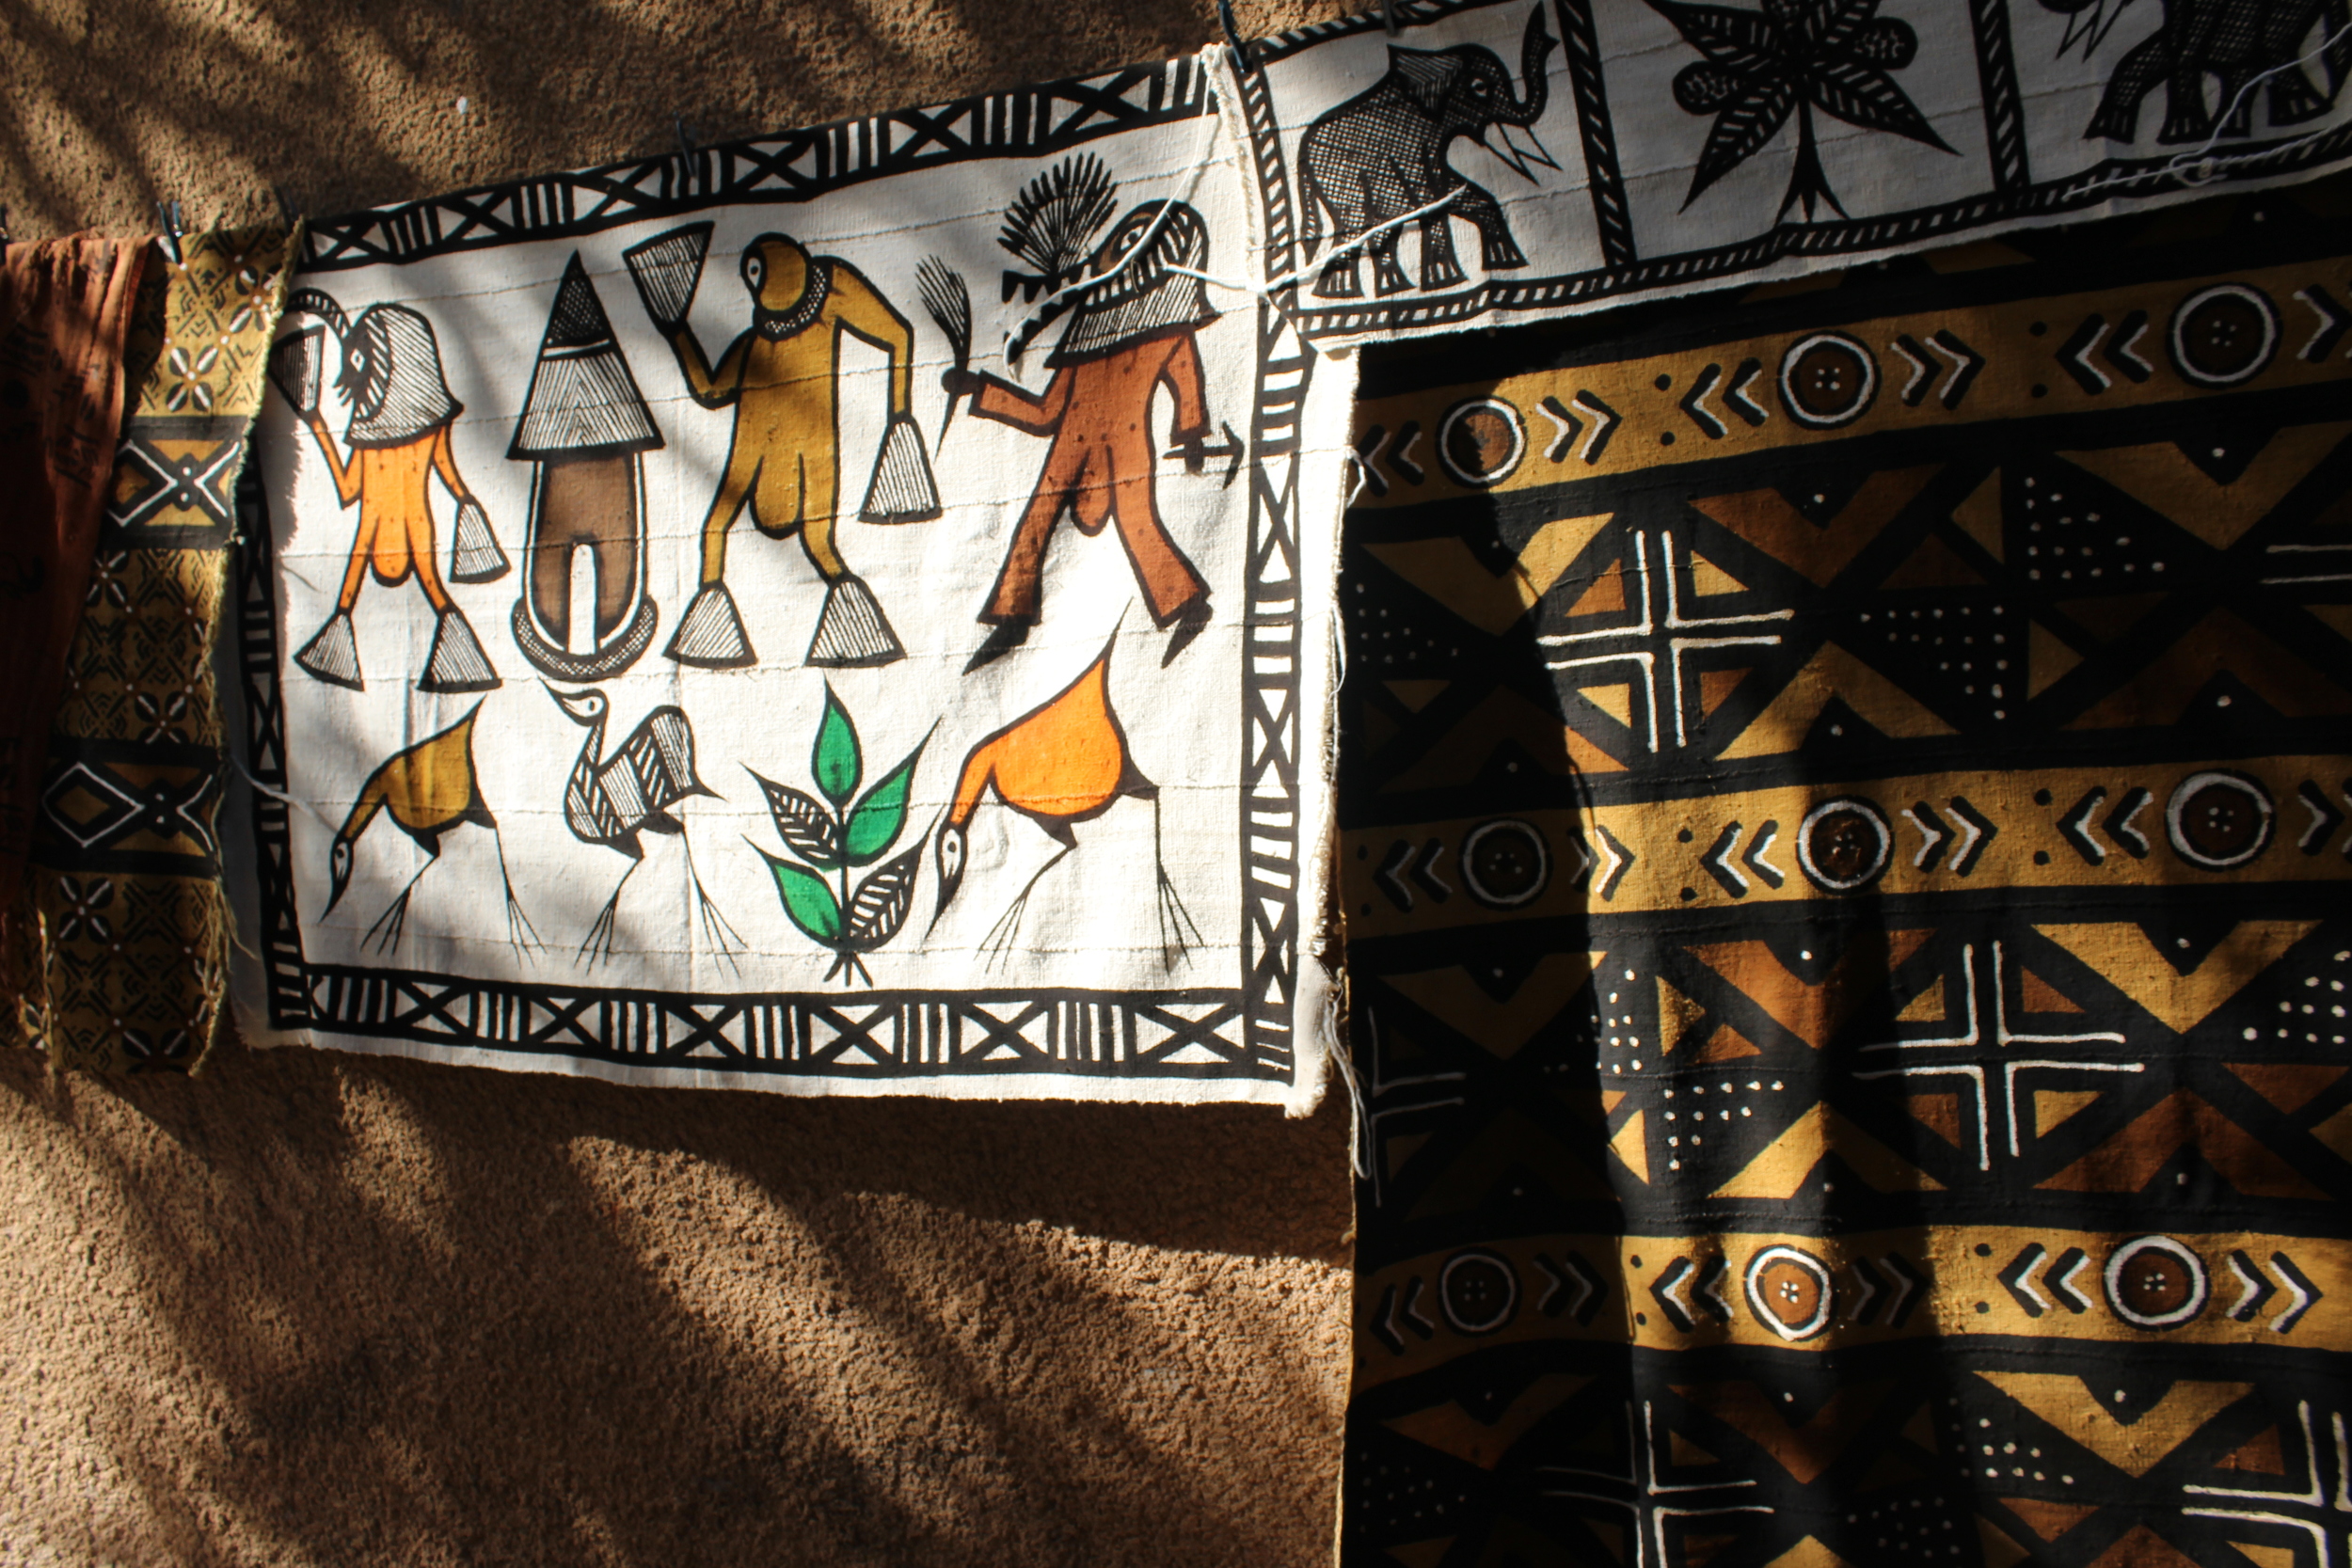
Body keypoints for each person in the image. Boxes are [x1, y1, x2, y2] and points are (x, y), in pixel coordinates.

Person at [945, 200, 1218, 673]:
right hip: (1069, 447)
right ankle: (1012, 617)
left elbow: (1186, 375)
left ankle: (1189, 605)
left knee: (1139, 522)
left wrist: (1191, 431)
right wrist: (982, 390)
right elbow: (1047, 412)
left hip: (1128, 445)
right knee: (1036, 520)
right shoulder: (1084, 345)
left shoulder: (1166, 331)